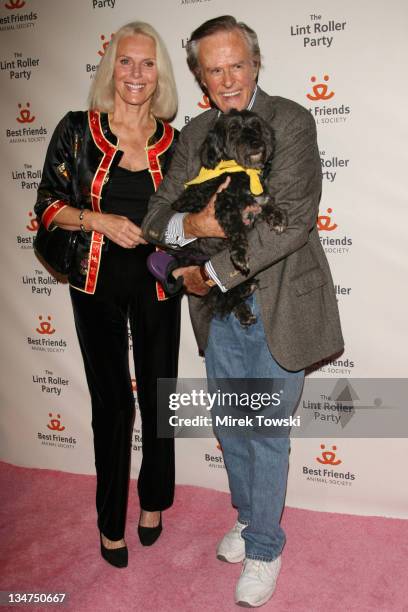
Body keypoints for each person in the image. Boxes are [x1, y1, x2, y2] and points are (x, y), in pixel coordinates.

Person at [142, 15, 344, 607]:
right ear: (200, 77)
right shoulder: (194, 131)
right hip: (220, 314)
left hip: (278, 303)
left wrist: (209, 271)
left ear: (255, 63)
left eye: (236, 64)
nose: (227, 78)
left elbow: (292, 218)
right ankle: (250, 516)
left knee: (266, 433)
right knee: (232, 427)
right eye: (214, 69)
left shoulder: (291, 120)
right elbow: (158, 217)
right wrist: (194, 224)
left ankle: (265, 546)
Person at [34, 21, 181, 568]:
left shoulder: (177, 139)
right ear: (110, 68)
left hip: (161, 282)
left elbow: (190, 216)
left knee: (160, 395)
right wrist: (98, 219)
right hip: (94, 281)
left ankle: (155, 501)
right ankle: (109, 521)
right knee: (113, 404)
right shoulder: (76, 129)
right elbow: (48, 205)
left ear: (159, 73)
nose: (136, 73)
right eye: (126, 61)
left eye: (147, 63)